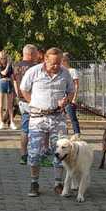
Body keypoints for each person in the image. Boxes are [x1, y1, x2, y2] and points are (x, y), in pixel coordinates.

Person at [19, 48, 75, 197]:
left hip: (58, 118)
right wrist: (33, 102)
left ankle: (58, 183)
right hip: (38, 118)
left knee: (61, 151)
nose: (56, 66)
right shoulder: (34, 72)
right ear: (45, 59)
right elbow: (23, 89)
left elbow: (71, 90)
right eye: (53, 63)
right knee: (34, 152)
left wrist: (67, 100)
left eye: (59, 63)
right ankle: (34, 183)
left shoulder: (65, 73)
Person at [12, 44, 39, 165]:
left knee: (25, 129)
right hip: (34, 100)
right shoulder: (35, 67)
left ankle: (23, 155)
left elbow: (14, 81)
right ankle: (37, 154)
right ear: (31, 54)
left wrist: (18, 95)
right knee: (38, 128)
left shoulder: (16, 66)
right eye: (36, 54)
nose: (37, 56)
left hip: (22, 100)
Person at [0, 50, 16, 130]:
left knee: (10, 105)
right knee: (1, 104)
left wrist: (14, 88)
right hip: (1, 84)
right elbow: (3, 73)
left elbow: (12, 76)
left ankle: (12, 122)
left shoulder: (9, 66)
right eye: (2, 58)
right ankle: (1, 122)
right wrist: (8, 66)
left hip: (9, 83)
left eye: (5, 58)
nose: (3, 59)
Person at [60, 52, 81, 135]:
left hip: (70, 98)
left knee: (72, 117)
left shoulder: (72, 71)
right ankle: (64, 134)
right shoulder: (61, 71)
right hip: (62, 98)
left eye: (61, 61)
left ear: (65, 61)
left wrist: (74, 98)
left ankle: (77, 133)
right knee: (61, 118)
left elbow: (76, 85)